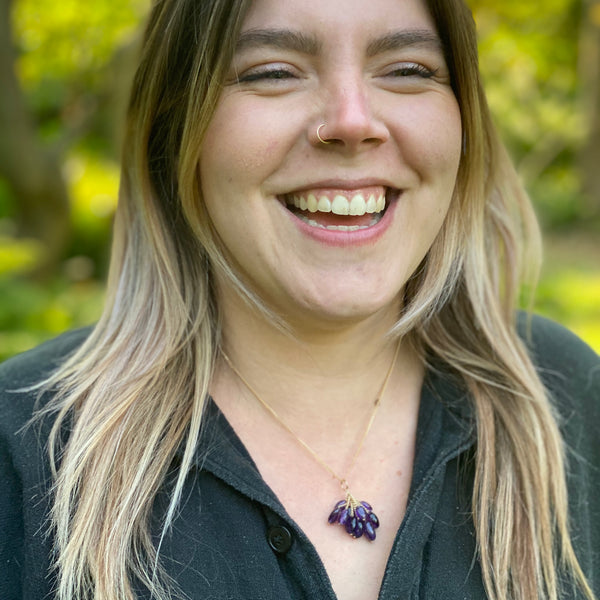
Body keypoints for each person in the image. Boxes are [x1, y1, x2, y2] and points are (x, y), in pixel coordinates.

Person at [0, 0, 598, 598]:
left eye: (408, 69)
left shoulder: (565, 396)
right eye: (273, 72)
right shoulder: (23, 451)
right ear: (175, 124)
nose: (352, 120)